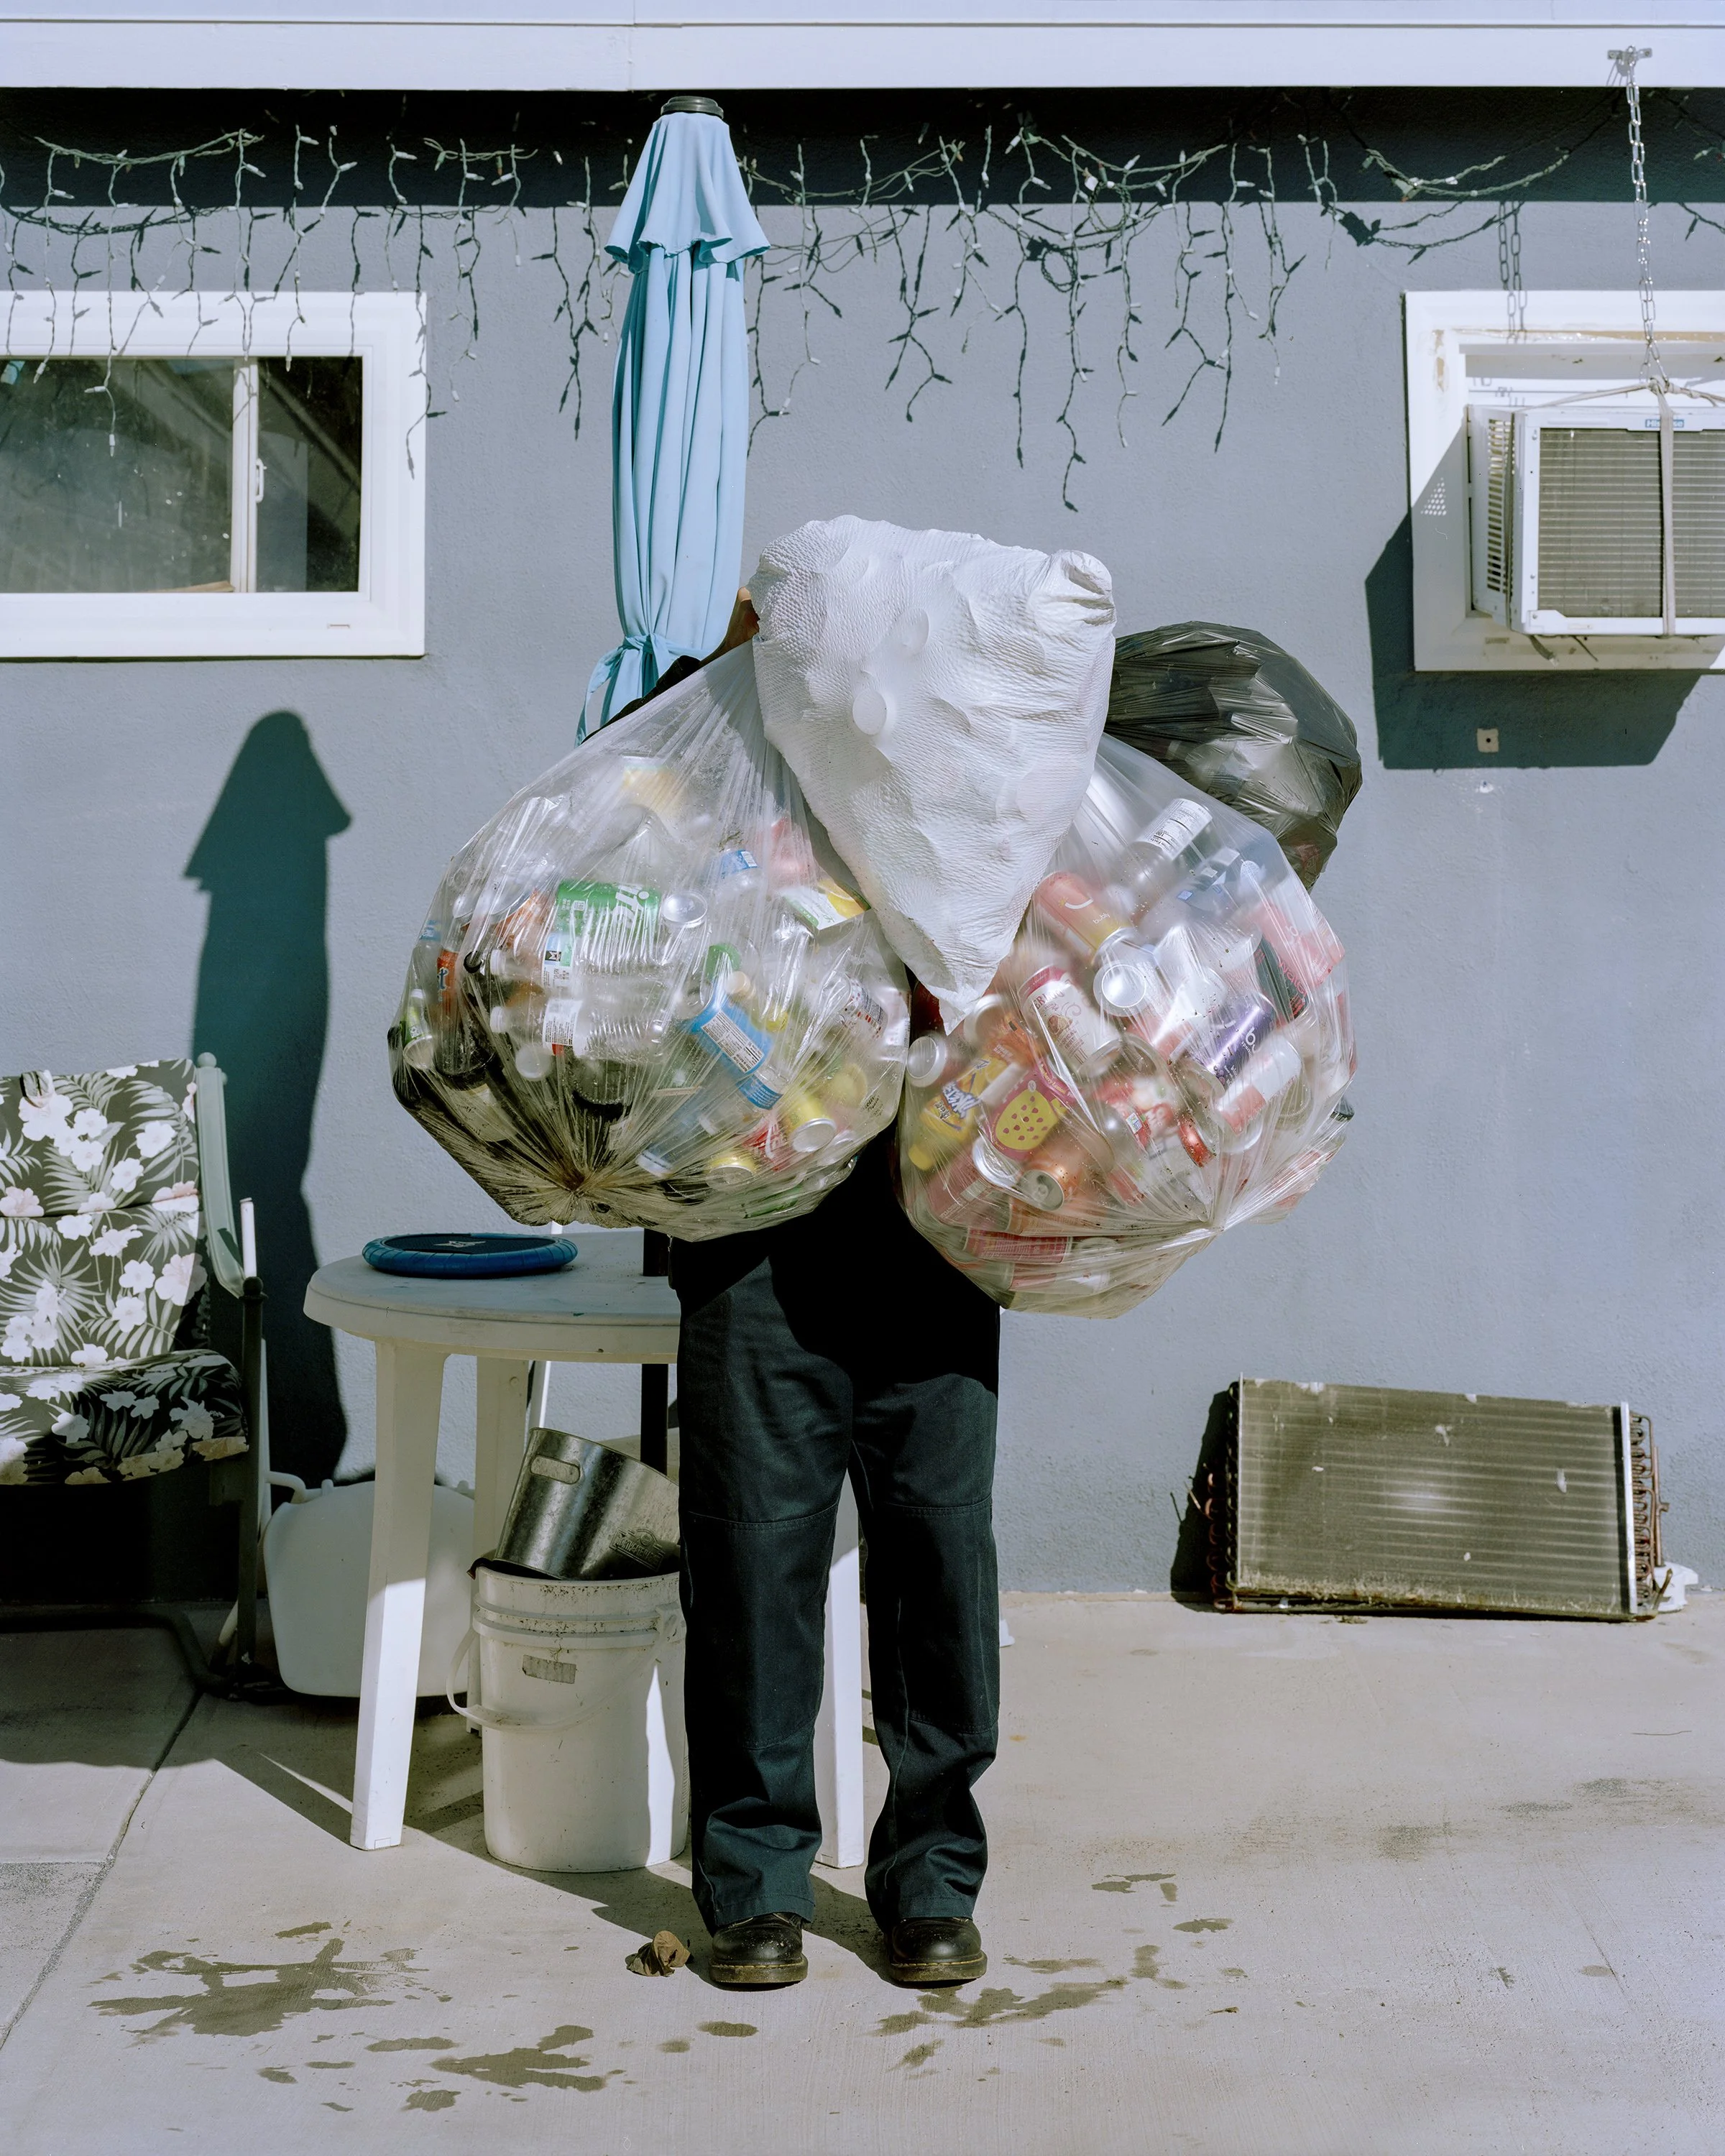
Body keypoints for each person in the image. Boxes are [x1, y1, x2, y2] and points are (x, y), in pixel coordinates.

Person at [632, 594, 1003, 1991]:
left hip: (935, 1245)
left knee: (937, 1574)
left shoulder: (965, 800)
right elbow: (629, 793)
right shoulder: (711, 756)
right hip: (753, 1247)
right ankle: (755, 1890)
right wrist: (728, 664)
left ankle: (930, 1885)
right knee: (750, 1572)